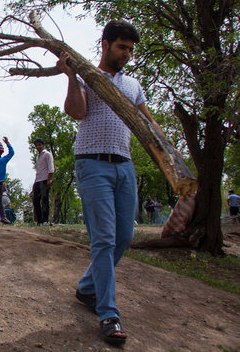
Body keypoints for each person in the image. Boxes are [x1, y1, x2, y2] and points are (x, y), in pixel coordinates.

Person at [57, 20, 163, 345]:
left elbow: (147, 120)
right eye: (122, 47)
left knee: (125, 236)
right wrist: (71, 77)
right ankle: (108, 315)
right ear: (105, 44)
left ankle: (87, 287)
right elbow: (75, 112)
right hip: (92, 163)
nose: (127, 54)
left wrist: (168, 148)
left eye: (130, 49)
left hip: (124, 166)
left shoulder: (133, 85)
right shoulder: (89, 76)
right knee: (103, 238)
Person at [31, 138, 54, 225]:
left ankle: (45, 220)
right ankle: (39, 220)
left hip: (45, 180)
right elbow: (38, 171)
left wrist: (49, 179)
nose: (38, 147)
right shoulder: (38, 157)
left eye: (39, 145)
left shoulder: (47, 154)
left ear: (43, 145)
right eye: (36, 145)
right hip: (38, 180)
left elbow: (51, 168)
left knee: (44, 200)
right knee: (35, 200)